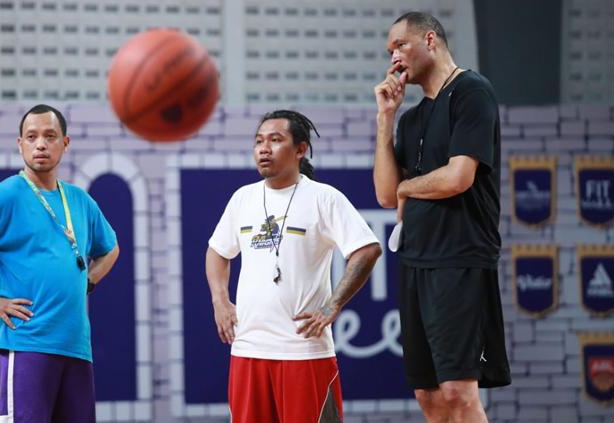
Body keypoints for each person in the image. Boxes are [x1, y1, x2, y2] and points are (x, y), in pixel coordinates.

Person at [0, 104, 120, 423]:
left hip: (75, 345)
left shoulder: (79, 200)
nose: (41, 144)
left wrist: (87, 281)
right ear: (20, 144)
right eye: (31, 137)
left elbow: (110, 248)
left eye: (50, 136)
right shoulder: (4, 196)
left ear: (65, 143)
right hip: (27, 342)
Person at [373, 11, 511, 423]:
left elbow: (458, 177)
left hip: (461, 256)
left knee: (458, 390)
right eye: (388, 51)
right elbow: (384, 193)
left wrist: (406, 187)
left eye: (400, 45)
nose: (393, 58)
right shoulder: (412, 117)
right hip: (416, 260)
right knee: (429, 394)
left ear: (430, 40)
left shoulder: (471, 91)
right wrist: (386, 118)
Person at [205, 110, 382, 423]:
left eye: (276, 140)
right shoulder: (242, 198)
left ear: (300, 149)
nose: (264, 148)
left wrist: (332, 305)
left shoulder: (323, 198)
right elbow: (217, 251)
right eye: (259, 141)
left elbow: (367, 250)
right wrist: (220, 301)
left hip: (304, 353)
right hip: (248, 350)